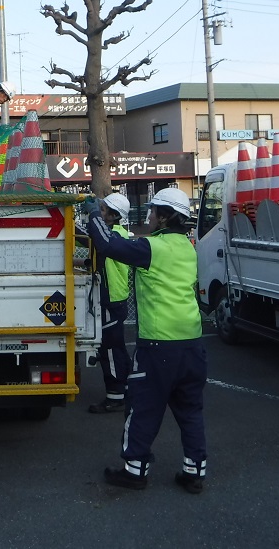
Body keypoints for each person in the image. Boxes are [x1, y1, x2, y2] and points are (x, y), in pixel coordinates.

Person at [86, 187, 207, 494]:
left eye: (154, 211)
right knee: (190, 411)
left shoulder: (153, 248)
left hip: (158, 346)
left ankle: (135, 470)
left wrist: (91, 213)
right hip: (192, 343)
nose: (150, 216)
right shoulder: (188, 248)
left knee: (141, 408)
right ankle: (194, 472)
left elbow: (108, 243)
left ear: (166, 217)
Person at [87, 193, 132, 414]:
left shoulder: (115, 236)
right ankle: (126, 387)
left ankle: (115, 395)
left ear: (114, 216)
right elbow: (88, 237)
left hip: (111, 299)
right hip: (116, 299)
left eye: (103, 210)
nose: (100, 212)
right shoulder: (117, 233)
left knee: (111, 349)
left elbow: (100, 241)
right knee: (118, 347)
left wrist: (92, 213)